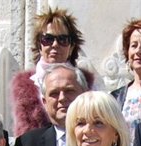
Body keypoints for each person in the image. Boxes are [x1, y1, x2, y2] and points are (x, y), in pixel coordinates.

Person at [10, 7, 94, 138]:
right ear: (39, 45)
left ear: (71, 47)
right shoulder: (24, 84)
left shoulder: (87, 81)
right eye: (48, 39)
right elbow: (24, 133)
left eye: (63, 39)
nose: (55, 44)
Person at [13, 64, 88, 146]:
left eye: (69, 91)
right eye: (54, 93)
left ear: (84, 95)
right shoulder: (27, 145)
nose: (62, 98)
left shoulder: (100, 139)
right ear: (44, 102)